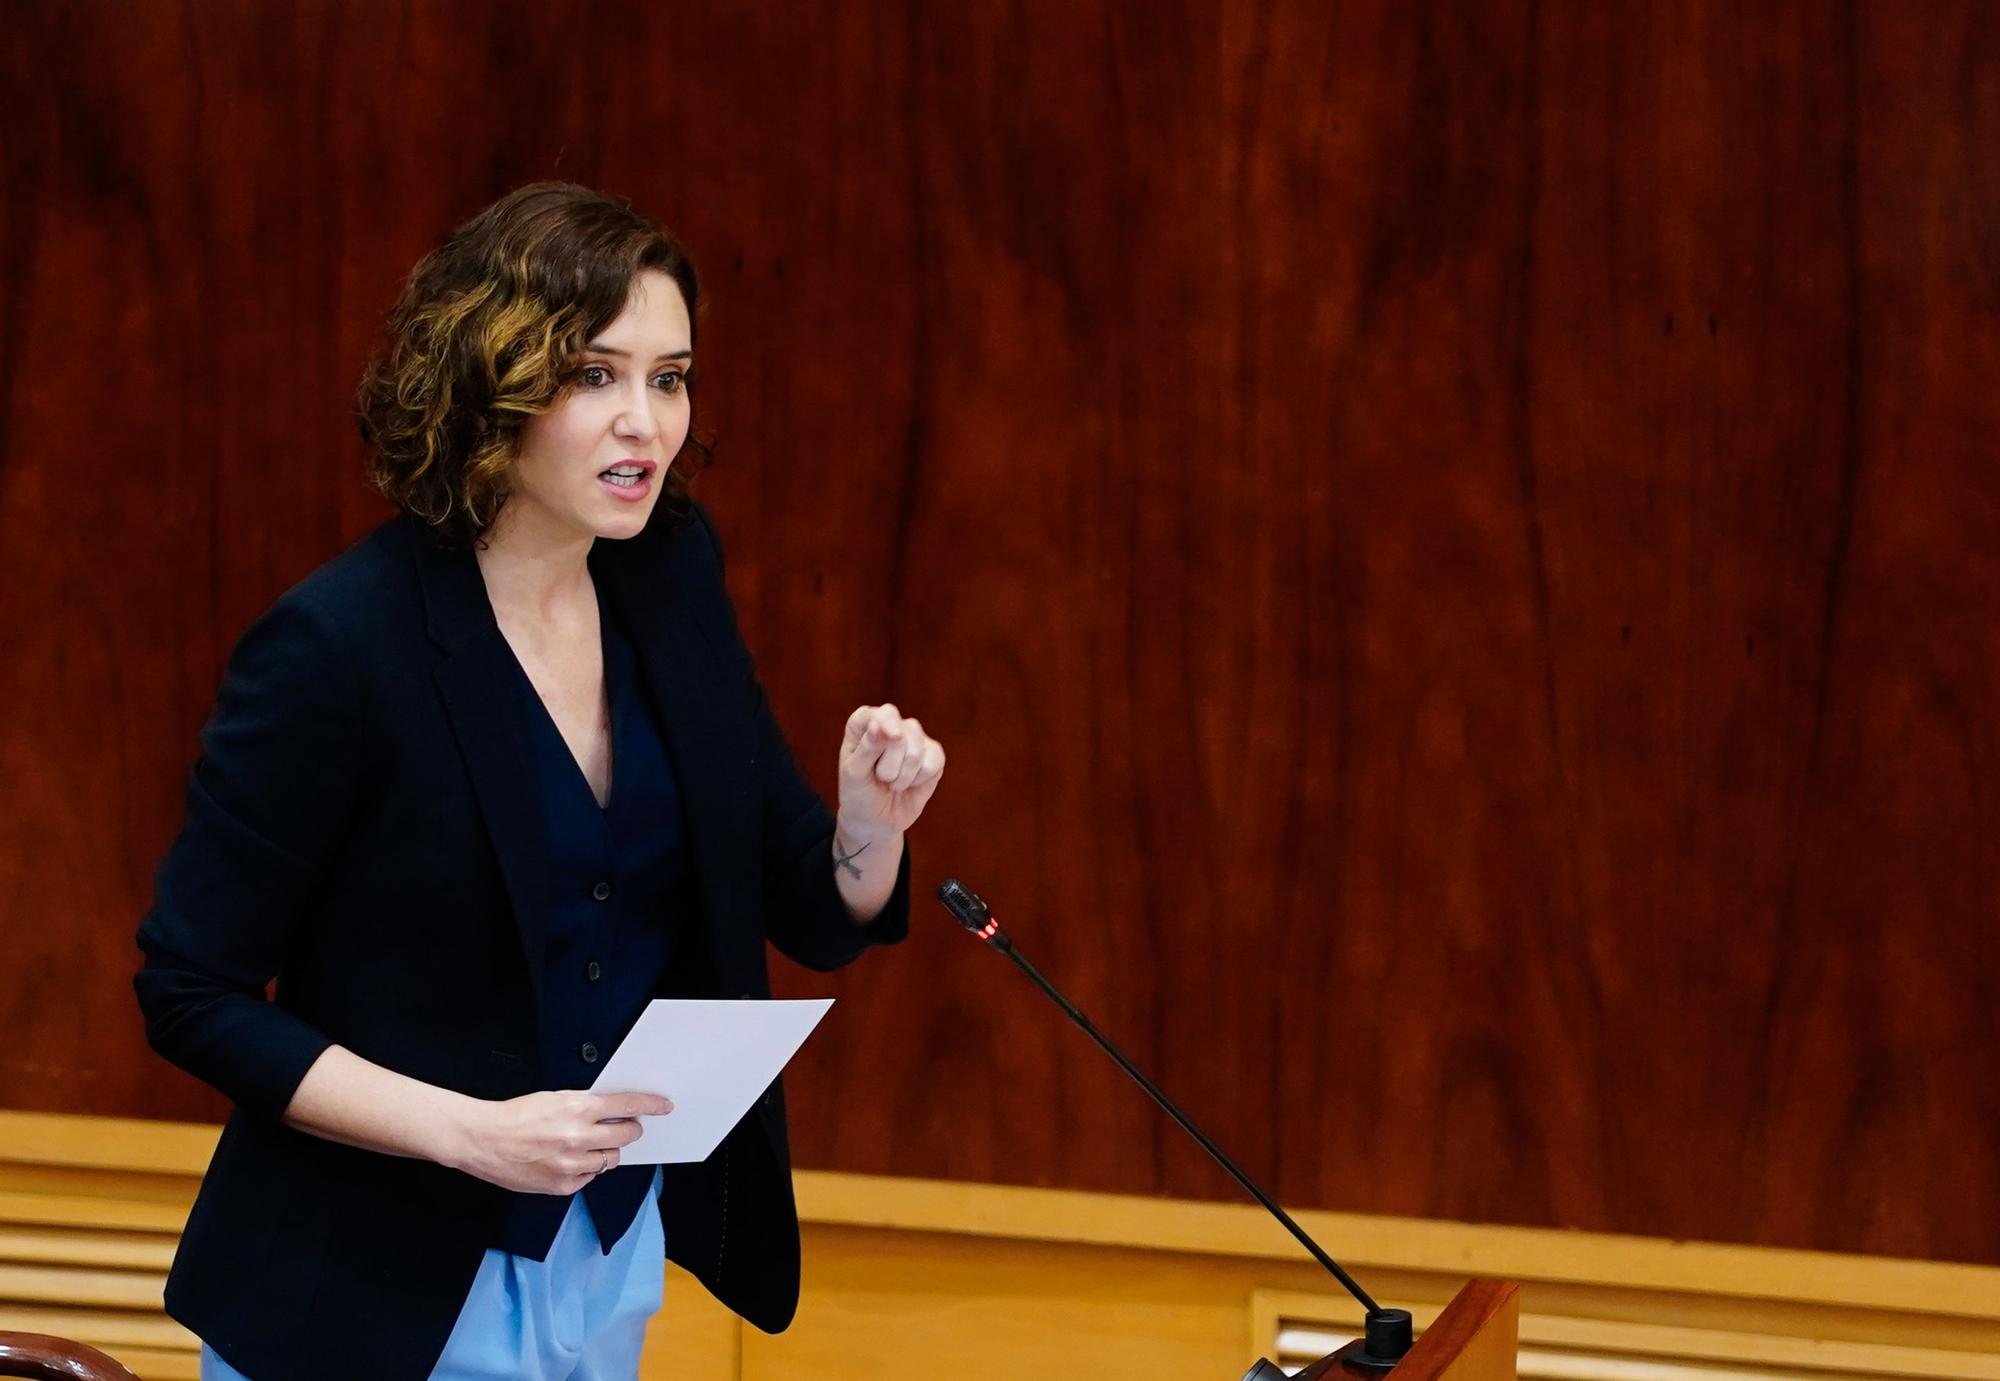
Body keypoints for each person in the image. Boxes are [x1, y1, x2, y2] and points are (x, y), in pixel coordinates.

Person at [134, 182, 945, 1381]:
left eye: (668, 378)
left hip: (605, 1254)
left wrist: (869, 831)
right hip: (366, 1287)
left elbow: (810, 910)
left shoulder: (668, 576)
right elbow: (190, 992)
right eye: (595, 375)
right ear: (489, 386)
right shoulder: (339, 645)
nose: (646, 424)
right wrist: (469, 1135)